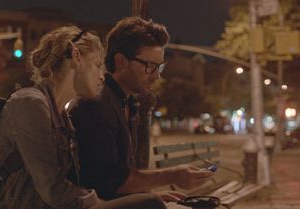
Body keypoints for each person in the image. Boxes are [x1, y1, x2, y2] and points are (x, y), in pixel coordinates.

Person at [0, 26, 165, 209]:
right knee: (150, 205)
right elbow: (53, 189)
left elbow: (75, 182)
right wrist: (99, 204)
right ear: (76, 56)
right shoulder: (30, 104)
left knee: (149, 202)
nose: (102, 76)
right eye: (97, 65)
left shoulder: (62, 115)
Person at [70, 17, 214, 202]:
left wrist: (149, 194)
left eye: (159, 67)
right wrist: (173, 176)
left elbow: (123, 174)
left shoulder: (129, 103)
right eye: (149, 66)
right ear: (121, 61)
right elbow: (110, 181)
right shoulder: (97, 105)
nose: (156, 76)